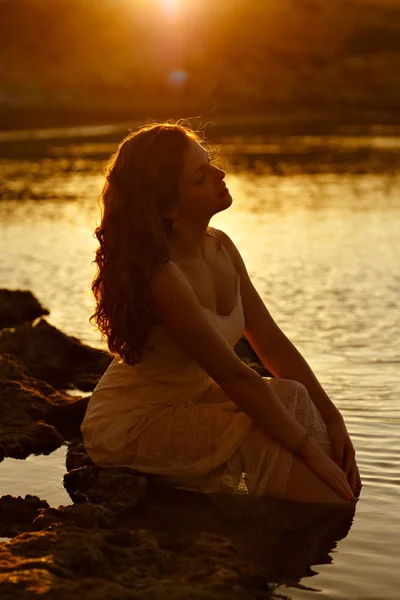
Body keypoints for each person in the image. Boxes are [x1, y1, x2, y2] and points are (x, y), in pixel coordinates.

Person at [81, 121, 362, 504]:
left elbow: (269, 339)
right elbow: (232, 374)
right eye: (200, 176)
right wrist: (308, 450)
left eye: (209, 163)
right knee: (332, 499)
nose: (220, 174)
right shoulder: (163, 275)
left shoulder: (222, 247)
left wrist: (333, 418)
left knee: (294, 396)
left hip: (196, 398)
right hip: (136, 421)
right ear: (168, 206)